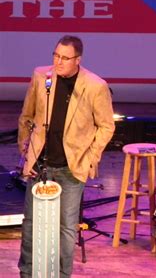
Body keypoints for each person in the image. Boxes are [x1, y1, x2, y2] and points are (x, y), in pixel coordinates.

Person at [17, 35, 115, 277]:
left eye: (65, 58)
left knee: (66, 228)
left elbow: (106, 126)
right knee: (30, 225)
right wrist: (26, 152)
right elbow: (27, 116)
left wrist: (91, 157)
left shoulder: (95, 86)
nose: (58, 62)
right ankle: (26, 273)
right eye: (56, 55)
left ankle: (62, 275)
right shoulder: (42, 77)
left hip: (72, 168)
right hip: (40, 163)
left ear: (77, 60)